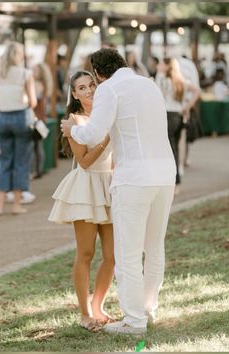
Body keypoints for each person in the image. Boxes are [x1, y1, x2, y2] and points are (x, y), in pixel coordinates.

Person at [61, 48, 176, 335]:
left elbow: (90, 132)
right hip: (165, 174)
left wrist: (69, 129)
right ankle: (148, 309)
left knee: (127, 252)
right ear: (123, 63)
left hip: (134, 178)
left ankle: (134, 322)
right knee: (154, 247)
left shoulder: (109, 89)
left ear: (98, 73)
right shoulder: (148, 84)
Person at [49, 70, 115, 331]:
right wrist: (107, 139)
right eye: (82, 88)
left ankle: (98, 305)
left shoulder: (108, 114)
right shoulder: (74, 121)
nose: (89, 91)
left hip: (109, 187)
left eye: (91, 85)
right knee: (86, 253)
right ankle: (84, 313)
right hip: (86, 188)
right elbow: (85, 162)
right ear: (74, 94)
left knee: (112, 256)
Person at [0, 41, 37, 215]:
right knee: (21, 162)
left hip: (3, 118)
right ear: (19, 56)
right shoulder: (25, 74)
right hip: (21, 117)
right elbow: (33, 101)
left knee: (5, 161)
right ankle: (16, 205)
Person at [155, 57, 200, 195]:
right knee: (174, 148)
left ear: (167, 66)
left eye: (162, 63)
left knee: (169, 150)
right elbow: (197, 91)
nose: (159, 65)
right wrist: (187, 107)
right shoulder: (180, 80)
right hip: (178, 116)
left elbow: (157, 96)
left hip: (167, 115)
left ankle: (173, 182)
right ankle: (175, 182)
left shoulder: (162, 78)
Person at [32, 62, 53, 178]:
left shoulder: (37, 85)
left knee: (35, 146)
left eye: (35, 71)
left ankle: (37, 171)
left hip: (36, 119)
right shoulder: (44, 86)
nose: (32, 73)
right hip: (41, 119)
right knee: (38, 146)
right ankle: (39, 170)